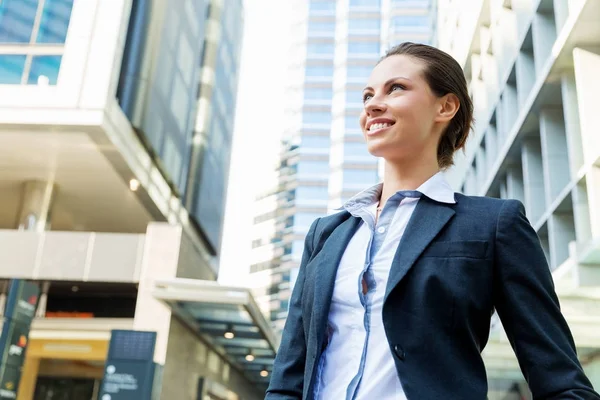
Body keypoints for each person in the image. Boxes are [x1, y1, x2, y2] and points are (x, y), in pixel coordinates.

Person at [265, 42, 600, 399]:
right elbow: (288, 381)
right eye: (367, 95)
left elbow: (562, 382)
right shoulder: (326, 234)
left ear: (446, 106)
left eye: (396, 88)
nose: (372, 105)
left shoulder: (493, 224)